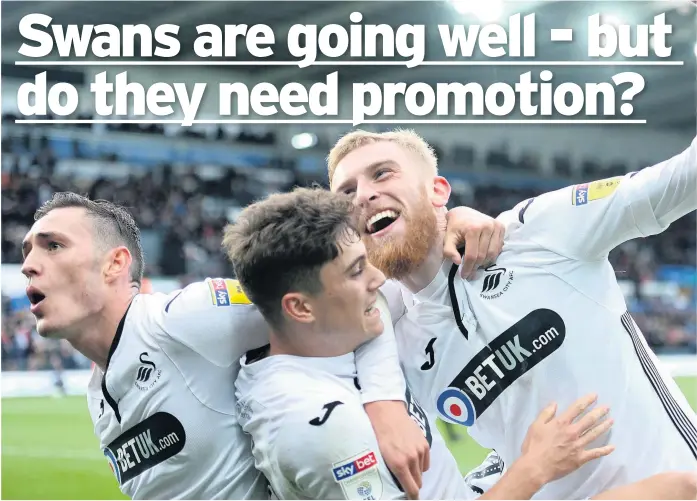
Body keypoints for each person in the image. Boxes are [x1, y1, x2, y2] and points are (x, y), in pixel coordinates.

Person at [19, 191, 503, 499]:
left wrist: (384, 403)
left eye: (52, 245)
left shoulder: (182, 321)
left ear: (114, 264)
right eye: (26, 252)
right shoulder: (98, 390)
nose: (28, 265)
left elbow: (349, 298)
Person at [327, 129, 697, 499]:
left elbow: (681, 179)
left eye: (382, 173)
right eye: (346, 193)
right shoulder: (386, 335)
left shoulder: (538, 231)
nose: (362, 195)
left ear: (438, 190)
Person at [226, 187, 617, 500]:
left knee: (676, 488)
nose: (378, 281)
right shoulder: (327, 429)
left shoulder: (322, 336)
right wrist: (534, 468)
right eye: (357, 271)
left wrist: (452, 218)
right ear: (300, 308)